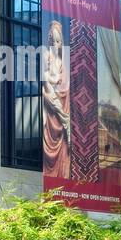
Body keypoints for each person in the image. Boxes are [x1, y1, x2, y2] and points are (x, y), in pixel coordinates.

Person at [41, 19, 70, 178]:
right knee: (48, 90)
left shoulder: (60, 62)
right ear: (49, 39)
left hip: (56, 99)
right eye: (53, 40)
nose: (56, 44)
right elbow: (45, 76)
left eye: (59, 41)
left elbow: (64, 86)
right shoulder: (46, 55)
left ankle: (65, 120)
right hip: (48, 97)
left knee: (54, 98)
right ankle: (65, 119)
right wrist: (52, 81)